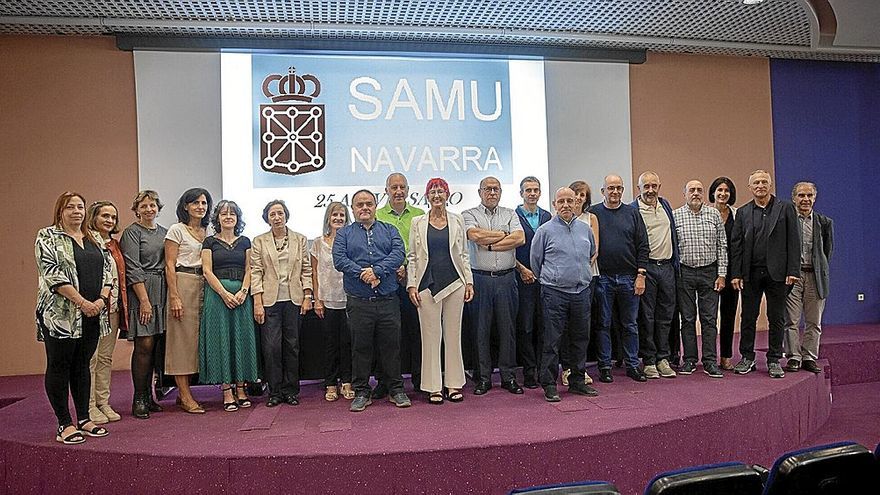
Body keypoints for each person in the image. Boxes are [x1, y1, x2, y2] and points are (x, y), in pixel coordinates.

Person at [35, 192, 112, 444]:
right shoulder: (47, 236)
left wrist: (100, 301)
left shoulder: (95, 238)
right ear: (60, 211)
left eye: (80, 207)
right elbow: (52, 274)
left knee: (82, 365)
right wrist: (82, 303)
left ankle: (83, 418)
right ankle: (64, 424)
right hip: (61, 316)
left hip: (93, 314)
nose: (77, 211)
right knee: (60, 366)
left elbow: (108, 271)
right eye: (70, 207)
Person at [333, 190, 410, 412]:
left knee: (391, 347)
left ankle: (396, 389)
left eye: (368, 204)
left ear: (376, 206)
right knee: (361, 348)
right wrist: (362, 273)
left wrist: (377, 271)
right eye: (360, 204)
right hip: (359, 301)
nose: (364, 208)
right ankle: (362, 391)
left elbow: (398, 254)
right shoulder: (344, 234)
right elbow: (340, 260)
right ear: (354, 208)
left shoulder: (390, 230)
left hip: (387, 300)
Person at [407, 178, 474, 404]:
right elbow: (413, 256)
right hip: (426, 285)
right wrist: (411, 285)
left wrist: (469, 282)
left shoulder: (457, 220)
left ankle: (454, 384)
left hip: (455, 283)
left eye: (441, 191)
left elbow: (464, 254)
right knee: (430, 337)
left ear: (448, 194)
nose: (437, 195)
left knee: (453, 336)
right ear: (427, 196)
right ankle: (433, 386)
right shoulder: (417, 222)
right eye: (433, 192)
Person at [729, 170, 800, 378]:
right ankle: (747, 357)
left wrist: (793, 270)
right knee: (748, 317)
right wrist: (736, 273)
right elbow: (737, 245)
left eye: (764, 182)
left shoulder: (785, 208)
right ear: (750, 188)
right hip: (750, 273)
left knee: (776, 317)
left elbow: (793, 242)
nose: (760, 185)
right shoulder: (742, 212)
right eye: (756, 183)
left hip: (778, 274)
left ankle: (774, 359)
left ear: (770, 186)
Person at [531, 187, 599, 402]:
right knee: (552, 341)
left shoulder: (585, 229)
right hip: (554, 293)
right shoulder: (544, 231)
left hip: (581, 292)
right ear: (554, 204)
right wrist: (554, 278)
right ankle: (549, 384)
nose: (566, 205)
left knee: (580, 339)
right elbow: (536, 262)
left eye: (570, 200)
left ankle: (578, 381)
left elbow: (591, 254)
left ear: (577, 203)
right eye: (561, 201)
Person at [463, 176, 526, 395]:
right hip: (480, 279)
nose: (492, 193)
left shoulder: (510, 213)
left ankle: (508, 377)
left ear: (500, 192)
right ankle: (483, 378)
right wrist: (503, 235)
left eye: (496, 189)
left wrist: (489, 246)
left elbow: (519, 239)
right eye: (488, 189)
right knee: (480, 330)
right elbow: (475, 235)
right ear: (479, 192)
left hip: (507, 279)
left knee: (507, 329)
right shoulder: (469, 214)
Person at [199, 200, 260, 411]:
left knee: (241, 339)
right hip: (217, 297)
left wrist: (243, 291)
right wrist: (224, 294)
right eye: (224, 214)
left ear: (237, 218)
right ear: (217, 218)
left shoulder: (245, 241)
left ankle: (241, 388)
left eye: (232, 214)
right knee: (222, 339)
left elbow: (250, 269)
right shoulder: (209, 242)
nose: (228, 217)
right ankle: (226, 390)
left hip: (242, 296)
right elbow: (207, 271)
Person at [252, 200, 313, 407]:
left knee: (292, 346)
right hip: (270, 301)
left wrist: (307, 296)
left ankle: (291, 390)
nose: (277, 217)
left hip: (294, 300)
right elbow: (256, 272)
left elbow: (306, 269)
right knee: (271, 347)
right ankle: (275, 391)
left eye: (280, 213)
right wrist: (258, 302)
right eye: (272, 214)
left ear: (286, 215)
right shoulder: (259, 241)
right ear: (267, 218)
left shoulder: (300, 239)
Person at [592, 174, 650, 383]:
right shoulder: (594, 214)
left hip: (629, 277)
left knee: (630, 325)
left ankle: (633, 365)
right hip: (603, 278)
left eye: (618, 188)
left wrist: (641, 275)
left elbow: (643, 245)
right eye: (610, 188)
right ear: (603, 191)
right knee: (603, 324)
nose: (615, 192)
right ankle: (605, 366)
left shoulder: (632, 213)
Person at [375, 172, 425, 395]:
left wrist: (407, 266)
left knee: (417, 333)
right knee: (387, 336)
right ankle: (386, 382)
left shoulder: (420, 214)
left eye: (402, 187)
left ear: (408, 189)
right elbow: (373, 250)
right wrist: (393, 266)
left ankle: (420, 380)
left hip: (415, 282)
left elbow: (423, 249)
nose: (398, 191)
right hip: (387, 282)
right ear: (386, 190)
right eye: (393, 187)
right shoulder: (376, 216)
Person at [121, 190, 168, 419]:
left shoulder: (165, 232)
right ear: (137, 209)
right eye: (144, 206)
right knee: (144, 345)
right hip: (143, 290)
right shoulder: (131, 233)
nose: (149, 209)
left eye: (153, 205)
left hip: (163, 288)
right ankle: (138, 398)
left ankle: (150, 397)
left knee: (157, 346)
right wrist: (144, 301)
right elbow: (132, 268)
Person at [673, 180, 727, 378]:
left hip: (709, 272)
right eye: (691, 190)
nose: (695, 193)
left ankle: (710, 361)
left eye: (699, 190)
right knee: (687, 319)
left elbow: (722, 245)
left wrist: (722, 274)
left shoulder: (714, 214)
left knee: (709, 319)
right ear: (685, 193)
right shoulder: (676, 215)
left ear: (704, 194)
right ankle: (689, 360)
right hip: (685, 273)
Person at [165, 187, 212, 413]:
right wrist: (174, 295)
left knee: (197, 341)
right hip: (183, 282)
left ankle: (184, 390)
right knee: (181, 341)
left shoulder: (208, 230)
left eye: (204, 203)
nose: (200, 207)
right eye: (195, 203)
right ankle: (184, 395)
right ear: (185, 206)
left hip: (205, 284)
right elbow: (169, 265)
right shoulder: (176, 230)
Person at [631, 171, 680, 379]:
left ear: (659, 186)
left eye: (654, 186)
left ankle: (663, 358)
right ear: (638, 188)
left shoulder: (665, 205)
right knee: (647, 317)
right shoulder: (633, 210)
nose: (650, 190)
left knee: (666, 316)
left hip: (667, 267)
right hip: (647, 269)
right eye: (646, 186)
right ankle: (649, 360)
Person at [783, 182, 834, 374]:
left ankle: (809, 357)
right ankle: (794, 357)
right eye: (801, 195)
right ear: (794, 198)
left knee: (814, 321)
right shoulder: (787, 221)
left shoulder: (824, 222)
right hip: (793, 277)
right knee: (792, 320)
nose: (805, 199)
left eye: (809, 195)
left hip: (815, 277)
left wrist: (819, 268)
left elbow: (827, 251)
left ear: (815, 198)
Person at [86, 201, 127, 424]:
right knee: (91, 359)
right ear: (94, 217)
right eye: (105, 216)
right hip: (94, 308)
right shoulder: (86, 242)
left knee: (105, 357)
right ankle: (89, 406)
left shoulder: (113, 244)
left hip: (113, 308)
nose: (109, 220)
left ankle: (103, 402)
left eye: (113, 217)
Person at [310, 202, 352, 402]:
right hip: (326, 301)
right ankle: (330, 383)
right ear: (328, 218)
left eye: (342, 215)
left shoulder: (352, 242)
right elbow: (315, 274)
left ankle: (347, 382)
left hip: (349, 299)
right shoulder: (318, 243)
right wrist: (316, 299)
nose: (338, 218)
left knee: (347, 343)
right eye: (334, 215)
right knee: (330, 344)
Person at [561, 180, 600, 387]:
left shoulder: (590, 219)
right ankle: (567, 368)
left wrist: (579, 269)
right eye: (575, 194)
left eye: (582, 195)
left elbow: (594, 251)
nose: (577, 198)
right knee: (565, 327)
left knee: (582, 326)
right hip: (563, 283)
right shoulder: (557, 221)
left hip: (587, 279)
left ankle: (580, 369)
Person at [514, 176, 551, 389]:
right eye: (528, 190)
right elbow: (510, 247)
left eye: (536, 190)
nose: (532, 193)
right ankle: (528, 371)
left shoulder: (547, 216)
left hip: (546, 280)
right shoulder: (514, 216)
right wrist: (522, 269)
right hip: (523, 278)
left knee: (544, 327)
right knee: (526, 327)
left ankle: (544, 369)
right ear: (521, 193)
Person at [708, 177, 739, 370]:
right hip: (710, 272)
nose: (723, 194)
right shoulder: (706, 214)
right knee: (709, 317)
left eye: (726, 191)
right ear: (713, 192)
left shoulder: (737, 214)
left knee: (729, 315)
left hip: (732, 274)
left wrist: (737, 273)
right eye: (719, 190)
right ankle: (709, 357)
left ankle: (726, 356)